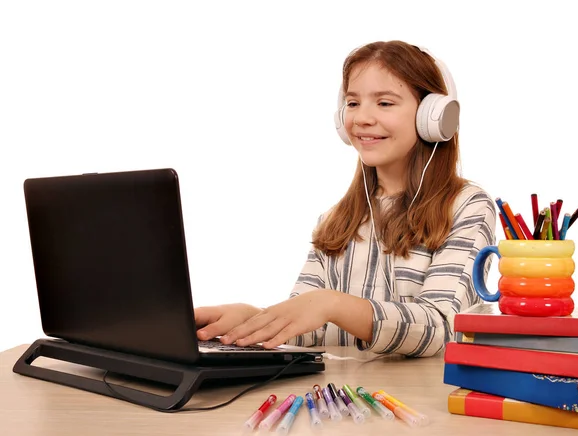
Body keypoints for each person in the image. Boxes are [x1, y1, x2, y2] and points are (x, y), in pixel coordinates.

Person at [194, 40, 496, 357]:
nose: (362, 118)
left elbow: (441, 328)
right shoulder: (336, 221)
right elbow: (310, 325)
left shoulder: (466, 206)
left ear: (433, 115)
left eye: (384, 103)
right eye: (353, 103)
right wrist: (251, 318)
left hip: (423, 401)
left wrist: (333, 304)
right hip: (344, 399)